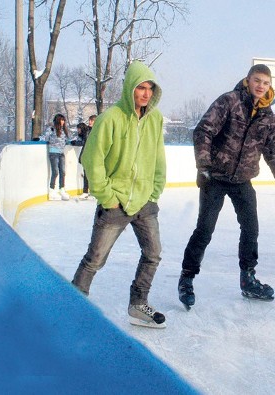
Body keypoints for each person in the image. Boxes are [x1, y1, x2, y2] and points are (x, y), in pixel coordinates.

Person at [178, 64, 275, 308]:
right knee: (205, 229)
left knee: (251, 229)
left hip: (243, 179)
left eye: (265, 82)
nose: (261, 86)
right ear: (248, 80)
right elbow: (203, 131)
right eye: (257, 80)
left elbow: (273, 153)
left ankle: (248, 279)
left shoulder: (267, 116)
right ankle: (187, 277)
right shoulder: (229, 101)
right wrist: (204, 166)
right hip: (216, 177)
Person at [71, 60, 167, 329]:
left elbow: (158, 157)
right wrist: (107, 196)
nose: (146, 93)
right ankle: (74, 303)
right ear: (130, 89)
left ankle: (138, 304)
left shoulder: (155, 119)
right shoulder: (110, 118)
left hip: (145, 201)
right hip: (116, 202)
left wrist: (155, 190)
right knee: (95, 259)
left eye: (150, 88)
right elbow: (92, 159)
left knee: (153, 254)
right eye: (140, 88)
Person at [45, 113, 71, 201]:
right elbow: (46, 138)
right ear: (58, 120)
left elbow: (68, 140)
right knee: (55, 172)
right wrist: (50, 131)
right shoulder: (51, 129)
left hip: (61, 153)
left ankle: (62, 189)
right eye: (61, 120)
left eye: (64, 120)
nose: (63, 122)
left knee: (62, 172)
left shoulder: (64, 130)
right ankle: (52, 191)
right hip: (53, 153)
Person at [70, 121, 93, 199]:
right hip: (89, 155)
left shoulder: (87, 132)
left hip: (88, 156)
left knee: (87, 174)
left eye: (78, 129)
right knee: (87, 174)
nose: (78, 131)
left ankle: (86, 191)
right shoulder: (87, 132)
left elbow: (84, 143)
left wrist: (75, 142)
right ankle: (88, 191)